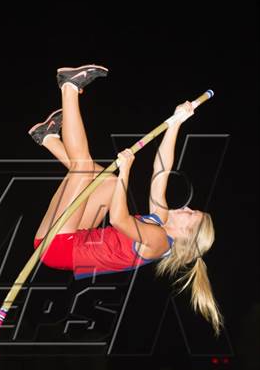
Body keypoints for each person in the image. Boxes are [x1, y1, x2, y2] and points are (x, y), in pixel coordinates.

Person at [29, 65, 223, 334]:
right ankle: (48, 138)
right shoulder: (162, 221)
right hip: (77, 235)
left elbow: (119, 219)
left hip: (57, 247)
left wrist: (126, 172)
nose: (187, 208)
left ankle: (69, 86)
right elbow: (161, 170)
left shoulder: (158, 242)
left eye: (192, 214)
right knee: (105, 181)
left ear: (186, 234)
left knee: (84, 167)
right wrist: (176, 123)